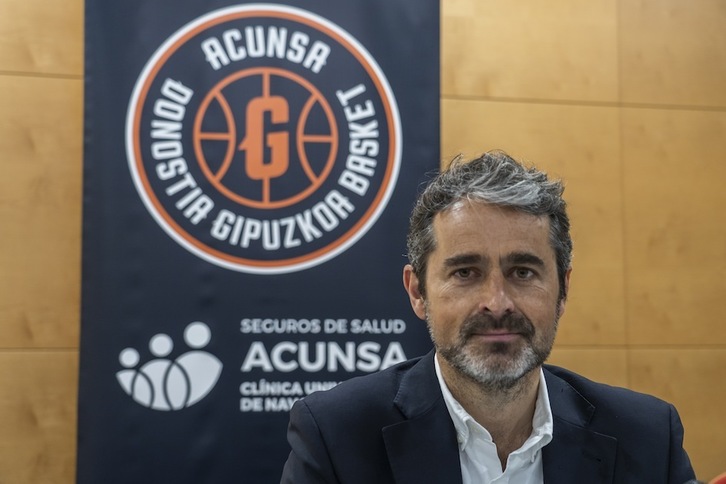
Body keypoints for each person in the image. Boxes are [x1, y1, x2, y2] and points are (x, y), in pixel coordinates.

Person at [280, 150, 695, 483]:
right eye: (465, 272)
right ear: (417, 291)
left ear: (563, 290)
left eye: (523, 272)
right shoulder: (336, 435)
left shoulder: (647, 437)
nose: (497, 302)